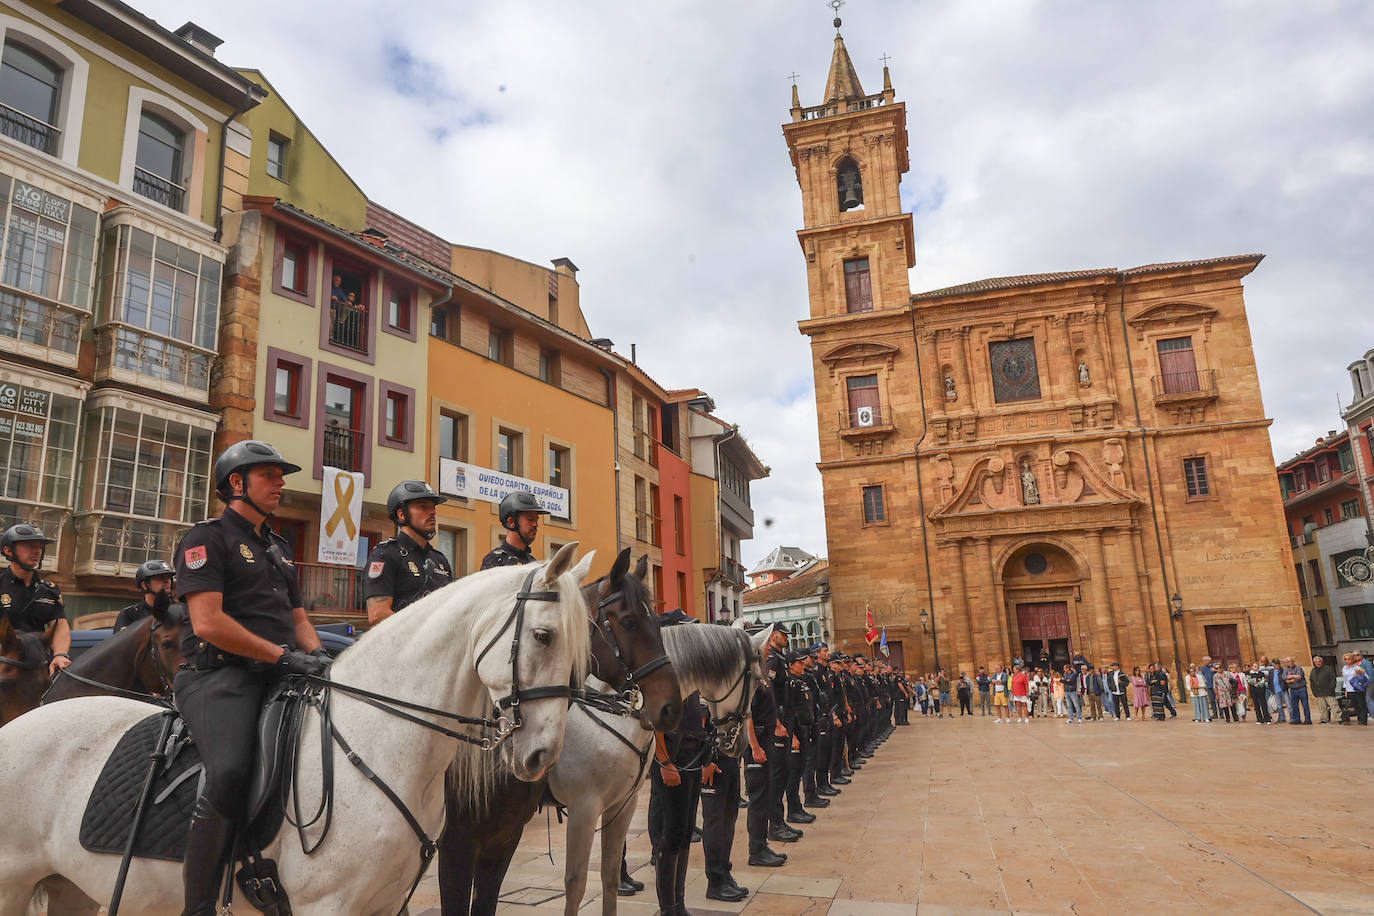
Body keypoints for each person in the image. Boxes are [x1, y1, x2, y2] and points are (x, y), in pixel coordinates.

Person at [174, 441, 328, 915]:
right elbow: (208, 622)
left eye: (281, 475)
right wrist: (280, 657)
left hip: (280, 674)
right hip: (219, 678)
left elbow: (298, 620)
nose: (281, 482)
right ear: (236, 483)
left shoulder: (278, 547)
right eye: (270, 475)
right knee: (231, 771)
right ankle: (197, 905)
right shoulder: (206, 538)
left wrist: (320, 660)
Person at [649, 682, 708, 916]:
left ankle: (678, 903)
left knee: (684, 834)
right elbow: (654, 724)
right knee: (671, 834)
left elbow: (702, 723)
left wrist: (706, 760)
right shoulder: (668, 681)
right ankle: (667, 909)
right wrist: (664, 763)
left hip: (693, 757)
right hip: (672, 761)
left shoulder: (692, 685)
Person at [364, 480, 453, 625]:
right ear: (401, 514)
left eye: (433, 508)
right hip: (399, 645)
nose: (432, 512)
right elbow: (377, 615)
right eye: (423, 507)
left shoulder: (440, 560)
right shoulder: (385, 555)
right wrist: (427, 629)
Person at [744, 626, 789, 868]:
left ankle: (762, 845)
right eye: (764, 644)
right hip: (758, 739)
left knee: (766, 792)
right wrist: (754, 746)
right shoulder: (751, 673)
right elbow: (747, 713)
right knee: (758, 796)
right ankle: (756, 849)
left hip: (767, 737)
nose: (768, 649)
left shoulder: (760, 669)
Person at [0, 524, 70, 677]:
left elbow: (60, 626)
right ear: (8, 550)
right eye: (29, 546)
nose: (36, 551)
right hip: (5, 665)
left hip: (38, 668)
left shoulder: (49, 590)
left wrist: (60, 654)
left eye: (39, 547)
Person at [480, 490, 549, 569]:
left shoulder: (534, 564)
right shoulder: (495, 560)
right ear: (511, 522)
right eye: (530, 519)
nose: (536, 524)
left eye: (536, 520)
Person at [113, 560, 176, 632]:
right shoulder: (130, 614)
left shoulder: (179, 613)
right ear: (144, 585)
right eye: (161, 577)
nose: (167, 581)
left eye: (169, 577)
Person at [1282, 656, 1311, 724]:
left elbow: (1299, 677)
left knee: (1305, 705)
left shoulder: (1298, 668)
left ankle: (1308, 720)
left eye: (1291, 661)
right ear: (1286, 663)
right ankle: (1297, 719)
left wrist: (1290, 678)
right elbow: (1284, 677)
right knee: (1294, 705)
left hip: (1301, 688)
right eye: (1289, 661)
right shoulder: (1285, 669)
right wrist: (1294, 676)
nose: (1290, 662)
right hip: (1293, 689)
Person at [1309, 656, 1338, 724]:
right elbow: (1312, 681)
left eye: (1319, 661)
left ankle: (1338, 718)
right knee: (1322, 707)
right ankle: (1324, 719)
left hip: (1329, 691)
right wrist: (1314, 691)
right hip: (1319, 692)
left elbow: (1333, 679)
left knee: (1334, 705)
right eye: (1316, 662)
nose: (1317, 663)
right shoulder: (1313, 670)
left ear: (1322, 662)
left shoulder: (1328, 669)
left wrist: (1331, 688)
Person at [1342, 653, 1369, 726]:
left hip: (1358, 689)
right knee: (1355, 705)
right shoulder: (1344, 668)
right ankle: (1359, 719)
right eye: (1345, 659)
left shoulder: (1357, 668)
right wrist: (1345, 689)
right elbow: (1345, 679)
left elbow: (1366, 677)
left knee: (1361, 705)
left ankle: (1363, 720)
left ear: (1352, 659)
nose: (1347, 660)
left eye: (1349, 658)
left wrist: (1357, 676)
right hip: (1350, 689)